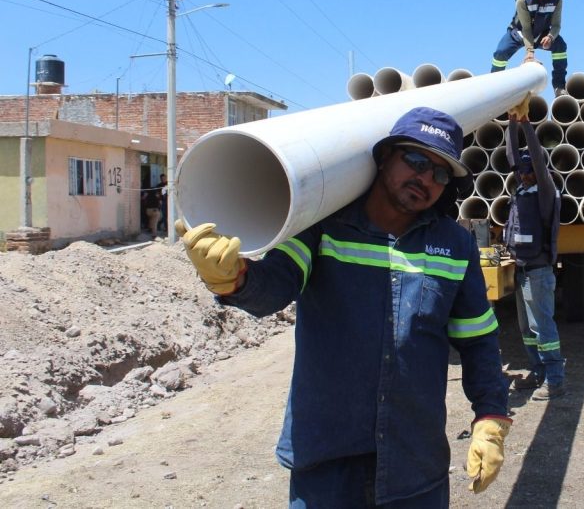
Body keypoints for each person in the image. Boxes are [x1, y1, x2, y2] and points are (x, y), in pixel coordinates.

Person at [175, 107, 512, 507]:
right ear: (385, 157)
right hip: (327, 464)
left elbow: (477, 339)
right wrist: (235, 279)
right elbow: (276, 287)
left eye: (440, 174)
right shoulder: (322, 225)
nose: (425, 178)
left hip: (414, 466)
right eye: (416, 161)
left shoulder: (455, 245)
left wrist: (491, 415)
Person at [505, 102, 566, 400]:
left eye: (528, 170)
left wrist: (527, 124)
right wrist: (511, 122)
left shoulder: (545, 191)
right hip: (522, 269)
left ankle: (555, 380)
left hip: (538, 271)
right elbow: (512, 157)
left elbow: (537, 161)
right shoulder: (522, 188)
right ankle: (538, 372)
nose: (524, 173)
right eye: (523, 170)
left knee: (543, 327)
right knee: (526, 328)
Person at [490, 0, 568, 96]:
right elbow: (526, 28)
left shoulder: (557, 0)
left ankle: (559, 87)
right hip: (519, 33)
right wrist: (530, 53)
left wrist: (550, 37)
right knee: (500, 53)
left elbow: (556, 25)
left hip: (541, 35)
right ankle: (494, 88)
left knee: (560, 46)